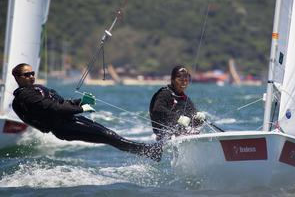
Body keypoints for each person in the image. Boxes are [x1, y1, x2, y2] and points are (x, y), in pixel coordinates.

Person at [11, 63, 162, 161]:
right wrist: (81, 108)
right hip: (63, 128)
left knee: (109, 135)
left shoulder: (36, 89)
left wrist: (80, 101)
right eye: (26, 75)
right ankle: (149, 151)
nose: (31, 76)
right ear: (18, 78)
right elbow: (54, 108)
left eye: (32, 73)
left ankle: (149, 152)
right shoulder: (25, 96)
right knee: (108, 136)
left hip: (69, 121)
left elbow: (60, 102)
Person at [149, 65, 205, 141]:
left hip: (180, 133)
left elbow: (192, 116)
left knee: (196, 129)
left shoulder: (185, 98)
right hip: (164, 136)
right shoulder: (165, 94)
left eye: (186, 80)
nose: (184, 83)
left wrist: (198, 117)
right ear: (172, 80)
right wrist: (178, 118)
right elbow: (157, 109)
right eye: (180, 80)